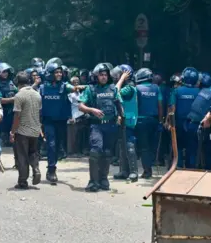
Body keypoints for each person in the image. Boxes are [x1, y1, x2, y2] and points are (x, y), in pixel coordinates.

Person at [78, 63, 124, 192]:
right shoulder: (91, 89)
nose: (103, 77)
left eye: (105, 75)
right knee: (95, 151)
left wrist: (120, 116)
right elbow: (81, 106)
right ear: (96, 76)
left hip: (111, 125)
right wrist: (92, 110)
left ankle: (104, 179)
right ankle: (93, 181)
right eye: (101, 75)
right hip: (96, 125)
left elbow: (119, 103)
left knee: (108, 153)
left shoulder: (113, 89)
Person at [40, 61, 84, 183]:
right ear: (50, 73)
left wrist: (78, 87)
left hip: (61, 121)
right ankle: (51, 170)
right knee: (51, 144)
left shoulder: (64, 86)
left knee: (60, 145)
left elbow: (73, 88)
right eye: (56, 72)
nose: (59, 74)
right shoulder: (43, 88)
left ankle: (54, 161)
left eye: (60, 72)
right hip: (48, 121)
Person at [10, 71, 42, 189]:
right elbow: (39, 112)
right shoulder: (37, 95)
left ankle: (23, 181)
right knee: (33, 153)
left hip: (23, 131)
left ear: (17, 82)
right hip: (35, 130)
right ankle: (36, 168)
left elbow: (17, 116)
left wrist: (13, 132)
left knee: (22, 156)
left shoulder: (19, 96)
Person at [132, 68, 163, 178]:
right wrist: (160, 121)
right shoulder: (156, 88)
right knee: (151, 145)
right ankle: (152, 163)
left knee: (144, 147)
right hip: (154, 120)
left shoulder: (137, 89)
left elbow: (135, 105)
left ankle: (147, 171)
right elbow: (160, 105)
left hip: (141, 120)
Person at [167, 67, 200, 168]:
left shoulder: (176, 91)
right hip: (194, 123)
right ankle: (191, 168)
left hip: (179, 123)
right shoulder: (199, 92)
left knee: (178, 147)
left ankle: (178, 167)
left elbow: (172, 108)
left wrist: (169, 123)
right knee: (192, 147)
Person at [112, 65, 138, 182]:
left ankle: (133, 172)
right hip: (123, 120)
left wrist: (122, 79)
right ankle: (124, 171)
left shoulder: (129, 88)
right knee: (122, 146)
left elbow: (115, 92)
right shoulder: (127, 87)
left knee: (129, 146)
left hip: (128, 120)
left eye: (120, 74)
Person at [192, 73, 211, 170]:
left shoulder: (199, 92)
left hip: (198, 123)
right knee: (208, 150)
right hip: (207, 125)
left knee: (198, 149)